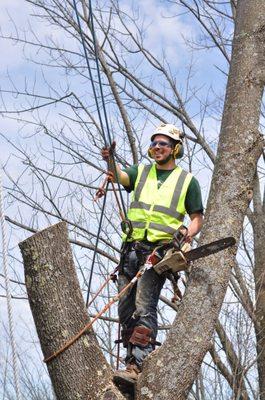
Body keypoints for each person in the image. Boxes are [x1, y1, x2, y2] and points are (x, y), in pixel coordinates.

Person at [101, 123, 203, 383]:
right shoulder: (142, 172)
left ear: (175, 149)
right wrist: (111, 160)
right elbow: (120, 177)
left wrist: (186, 235)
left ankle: (138, 364)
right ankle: (129, 360)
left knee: (144, 306)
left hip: (158, 252)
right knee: (125, 309)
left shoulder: (187, 181)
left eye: (163, 144)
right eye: (155, 143)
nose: (157, 147)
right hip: (130, 250)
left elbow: (196, 218)